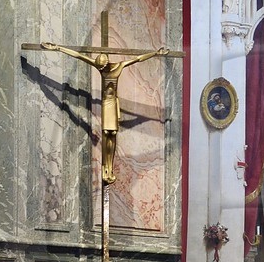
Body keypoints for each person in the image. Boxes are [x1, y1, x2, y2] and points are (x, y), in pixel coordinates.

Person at [36, 40, 180, 184]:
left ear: (106, 63)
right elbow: (78, 56)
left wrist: (156, 53)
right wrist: (58, 47)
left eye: (102, 67)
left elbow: (138, 58)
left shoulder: (119, 67)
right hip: (106, 103)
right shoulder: (99, 67)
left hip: (113, 103)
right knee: (106, 133)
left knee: (112, 134)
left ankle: (110, 166)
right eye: (99, 67)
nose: (101, 69)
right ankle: (107, 167)